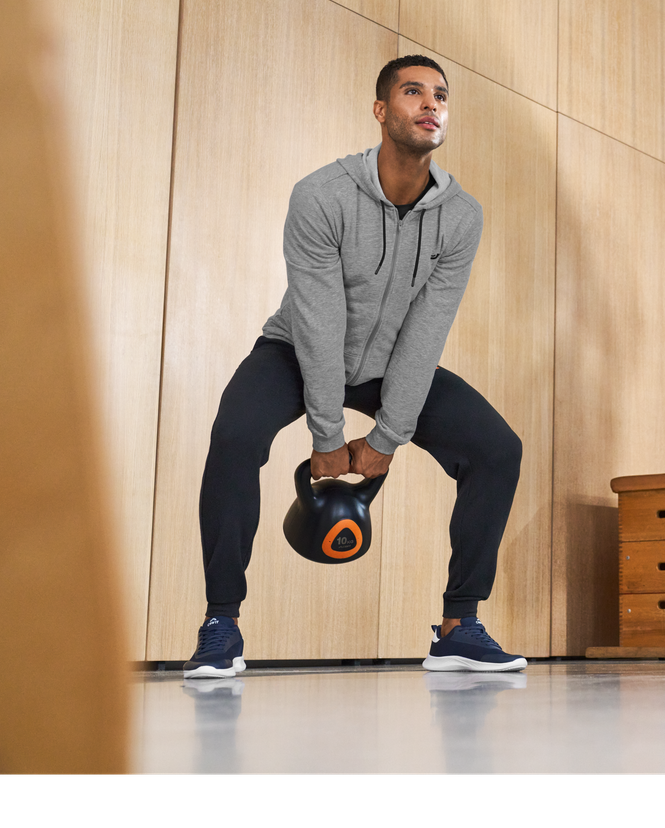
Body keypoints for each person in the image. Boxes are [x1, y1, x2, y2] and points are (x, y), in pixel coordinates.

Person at [183, 55, 526, 678]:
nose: (430, 103)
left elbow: (427, 331)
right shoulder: (322, 195)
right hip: (297, 350)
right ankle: (221, 623)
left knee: (498, 450)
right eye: (412, 91)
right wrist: (329, 437)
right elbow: (318, 321)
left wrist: (388, 437)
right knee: (235, 436)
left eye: (440, 95)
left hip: (390, 364)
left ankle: (459, 626)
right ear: (380, 110)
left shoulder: (461, 216)